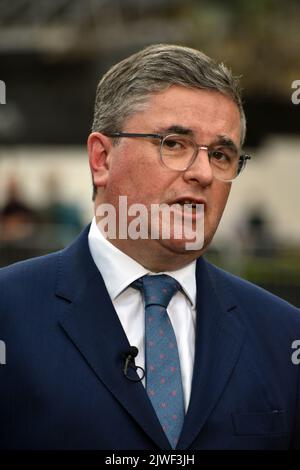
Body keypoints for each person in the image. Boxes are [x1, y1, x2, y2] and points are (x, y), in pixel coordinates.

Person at [0, 44, 299, 451]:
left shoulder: (284, 336)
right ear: (102, 158)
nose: (203, 173)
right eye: (174, 144)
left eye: (222, 154)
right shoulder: (9, 314)